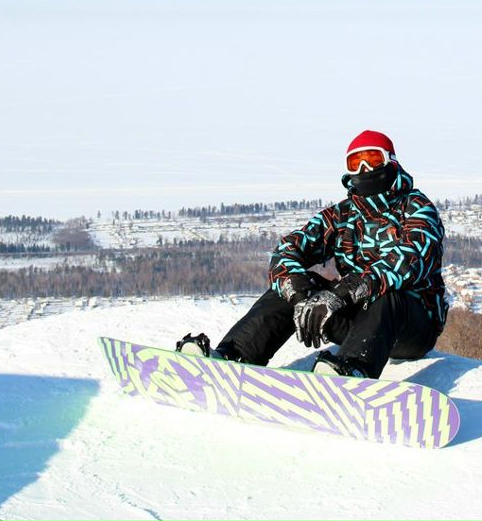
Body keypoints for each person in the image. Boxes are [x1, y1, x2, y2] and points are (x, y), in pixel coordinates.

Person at [179, 130, 447, 380]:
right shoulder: (342, 214)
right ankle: (232, 356)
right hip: (358, 320)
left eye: (373, 159)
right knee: (293, 285)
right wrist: (298, 293)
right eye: (356, 163)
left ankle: (353, 371)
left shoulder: (416, 207)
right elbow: (290, 248)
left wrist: (342, 293)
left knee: (389, 296)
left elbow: (409, 260)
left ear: (391, 161)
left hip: (411, 324)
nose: (365, 169)